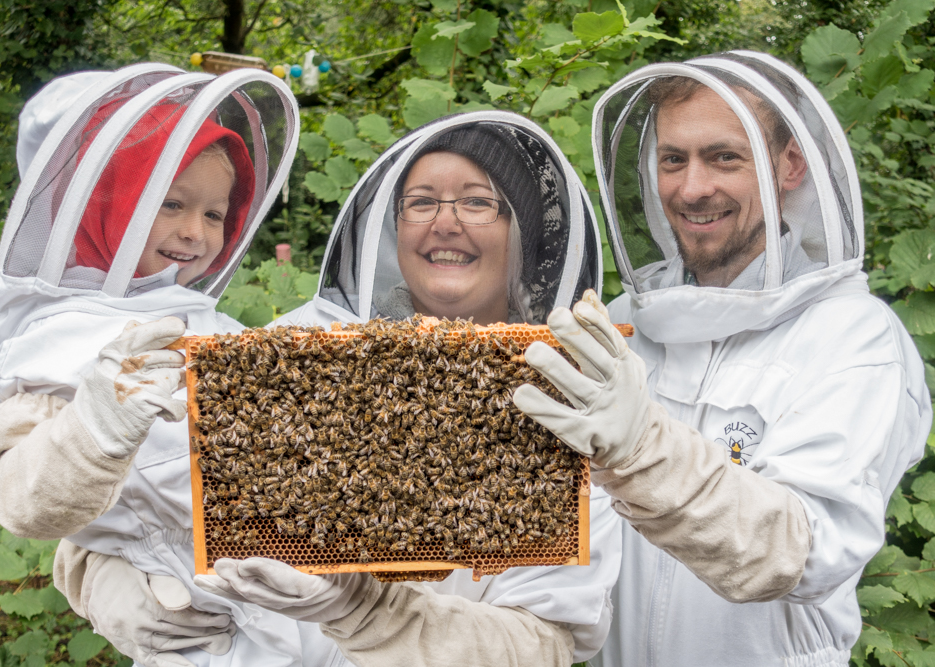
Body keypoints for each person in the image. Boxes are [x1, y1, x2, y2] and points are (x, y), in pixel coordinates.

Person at [510, 51, 932, 666]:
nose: (692, 187)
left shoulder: (854, 338)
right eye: (672, 160)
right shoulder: (626, 319)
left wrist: (642, 453)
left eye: (724, 157)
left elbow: (807, 552)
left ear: (789, 165)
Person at [190, 114, 621, 667]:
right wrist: (103, 574)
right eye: (421, 202)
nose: (444, 223)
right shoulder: (293, 354)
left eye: (476, 202)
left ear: (524, 231)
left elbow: (542, 644)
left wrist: (369, 611)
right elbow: (165, 503)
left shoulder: (570, 394)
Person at [0, 65, 304, 667]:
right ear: (105, 201)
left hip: (317, 607)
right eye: (170, 203)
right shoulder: (55, 339)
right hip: (214, 633)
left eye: (212, 214)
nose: (194, 232)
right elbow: (31, 502)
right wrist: (93, 432)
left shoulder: (206, 320)